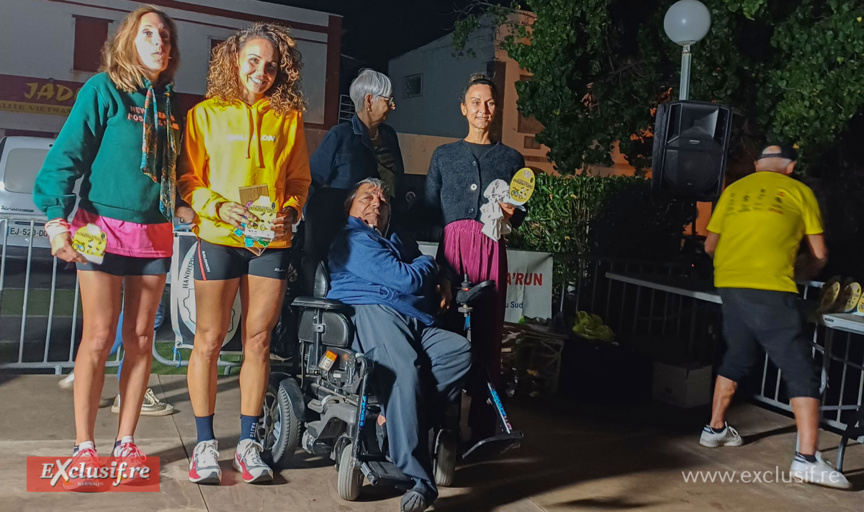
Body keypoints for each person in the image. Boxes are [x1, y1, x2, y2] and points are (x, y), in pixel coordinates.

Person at [32, 5, 183, 488]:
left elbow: (170, 179)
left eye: (165, 35)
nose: (159, 42)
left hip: (155, 233)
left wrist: (190, 205)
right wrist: (57, 224)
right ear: (128, 42)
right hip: (99, 228)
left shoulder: (168, 105)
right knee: (98, 337)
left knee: (141, 341)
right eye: (148, 34)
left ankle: (126, 443)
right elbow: (65, 157)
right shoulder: (103, 90)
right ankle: (83, 449)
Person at [178, 23, 311, 485]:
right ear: (234, 61)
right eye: (253, 60)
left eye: (272, 65)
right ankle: (205, 446)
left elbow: (298, 183)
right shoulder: (204, 115)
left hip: (269, 242)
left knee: (258, 341)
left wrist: (289, 213)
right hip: (217, 235)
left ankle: (250, 443)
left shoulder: (287, 118)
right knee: (210, 341)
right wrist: (218, 206)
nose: (262, 71)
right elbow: (188, 180)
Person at [702, 145, 850, 489]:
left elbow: (710, 246)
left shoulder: (734, 190)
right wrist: (803, 270)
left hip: (729, 283)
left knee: (737, 355)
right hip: (771, 286)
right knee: (800, 367)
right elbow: (819, 253)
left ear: (756, 166)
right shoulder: (799, 191)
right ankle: (808, 459)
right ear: (791, 166)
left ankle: (715, 429)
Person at [327, 178, 471, 512]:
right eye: (367, 197)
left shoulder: (398, 238)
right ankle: (418, 479)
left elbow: (423, 273)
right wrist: (428, 265)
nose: (377, 202)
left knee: (459, 353)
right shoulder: (352, 238)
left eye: (383, 199)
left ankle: (395, 420)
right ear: (350, 208)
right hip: (373, 312)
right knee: (404, 371)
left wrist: (436, 274)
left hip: (416, 318)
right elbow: (407, 278)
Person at [424, 73, 526, 441]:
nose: (484, 110)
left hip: (491, 248)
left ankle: (482, 423)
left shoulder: (512, 158)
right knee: (444, 325)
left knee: (488, 331)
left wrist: (514, 214)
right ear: (464, 109)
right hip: (452, 251)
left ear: (497, 109)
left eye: (491, 103)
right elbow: (430, 208)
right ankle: (439, 417)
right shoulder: (444, 156)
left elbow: (521, 212)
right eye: (477, 102)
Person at [309, 68, 403, 200]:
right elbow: (311, 180)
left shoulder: (389, 135)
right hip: (345, 219)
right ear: (369, 101)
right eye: (388, 100)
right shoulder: (340, 136)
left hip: (384, 218)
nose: (393, 106)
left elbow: (398, 181)